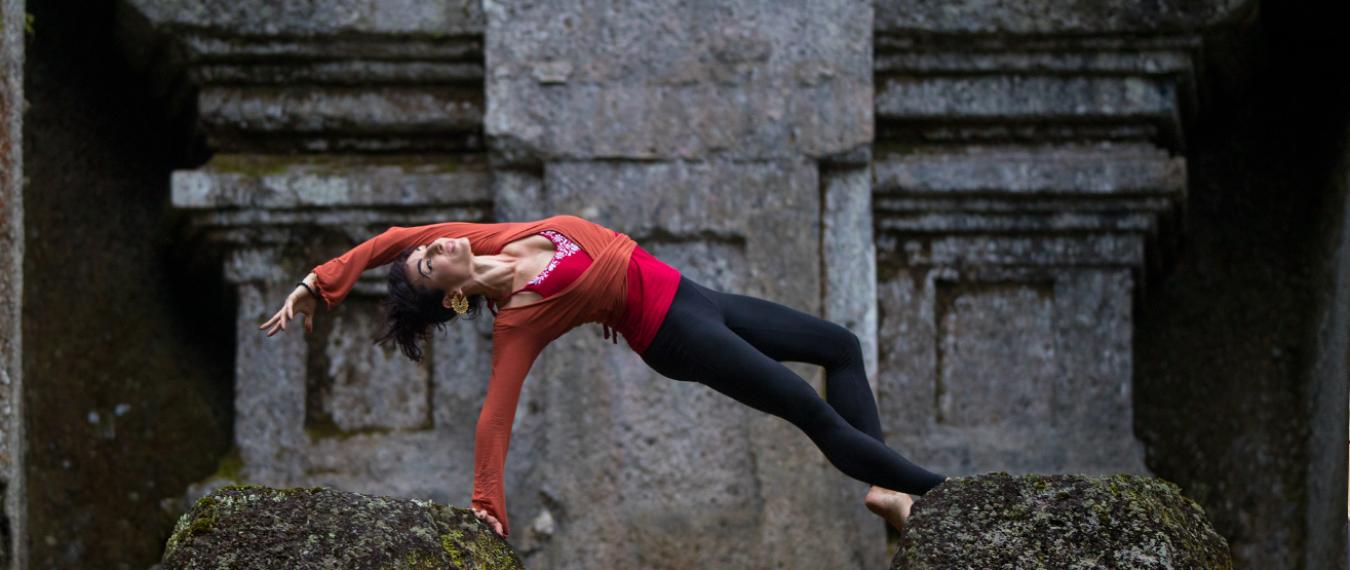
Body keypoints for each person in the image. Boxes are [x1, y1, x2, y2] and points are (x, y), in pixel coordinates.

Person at [259, 214, 951, 540]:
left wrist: (315, 284)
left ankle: (888, 492)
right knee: (810, 411)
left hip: (692, 294)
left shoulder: (486, 237)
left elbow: (392, 241)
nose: (437, 245)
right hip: (677, 334)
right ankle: (949, 496)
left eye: (432, 248)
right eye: (431, 264)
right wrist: (487, 507)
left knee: (840, 346)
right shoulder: (518, 320)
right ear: (452, 296)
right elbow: (496, 415)